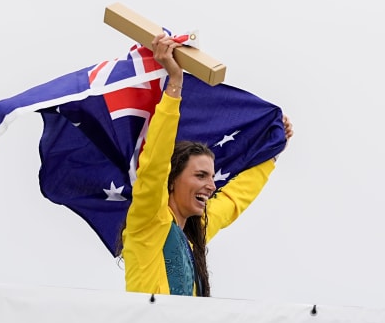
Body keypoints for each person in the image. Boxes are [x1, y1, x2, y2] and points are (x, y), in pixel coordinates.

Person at [120, 34, 293, 297]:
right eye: (200, 175)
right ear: (172, 179)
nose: (211, 186)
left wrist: (272, 152)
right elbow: (154, 165)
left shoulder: (196, 233)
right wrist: (175, 84)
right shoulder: (148, 220)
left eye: (211, 177)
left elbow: (234, 200)